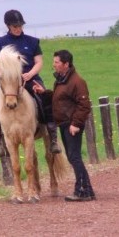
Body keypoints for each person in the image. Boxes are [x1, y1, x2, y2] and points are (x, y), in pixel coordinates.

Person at [0, 9, 61, 157]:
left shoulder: (32, 41)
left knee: (47, 102)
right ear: (8, 26)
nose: (18, 28)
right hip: (8, 81)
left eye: (20, 25)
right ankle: (0, 142)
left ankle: (53, 139)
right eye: (15, 26)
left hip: (29, 78)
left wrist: (31, 73)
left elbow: (39, 62)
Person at [33, 49, 96, 202]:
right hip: (64, 124)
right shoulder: (62, 80)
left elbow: (84, 105)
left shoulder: (77, 82)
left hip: (71, 125)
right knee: (73, 157)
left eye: (56, 62)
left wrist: (76, 124)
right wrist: (44, 92)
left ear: (66, 64)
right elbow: (59, 98)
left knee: (74, 157)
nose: (53, 65)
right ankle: (87, 190)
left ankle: (82, 190)